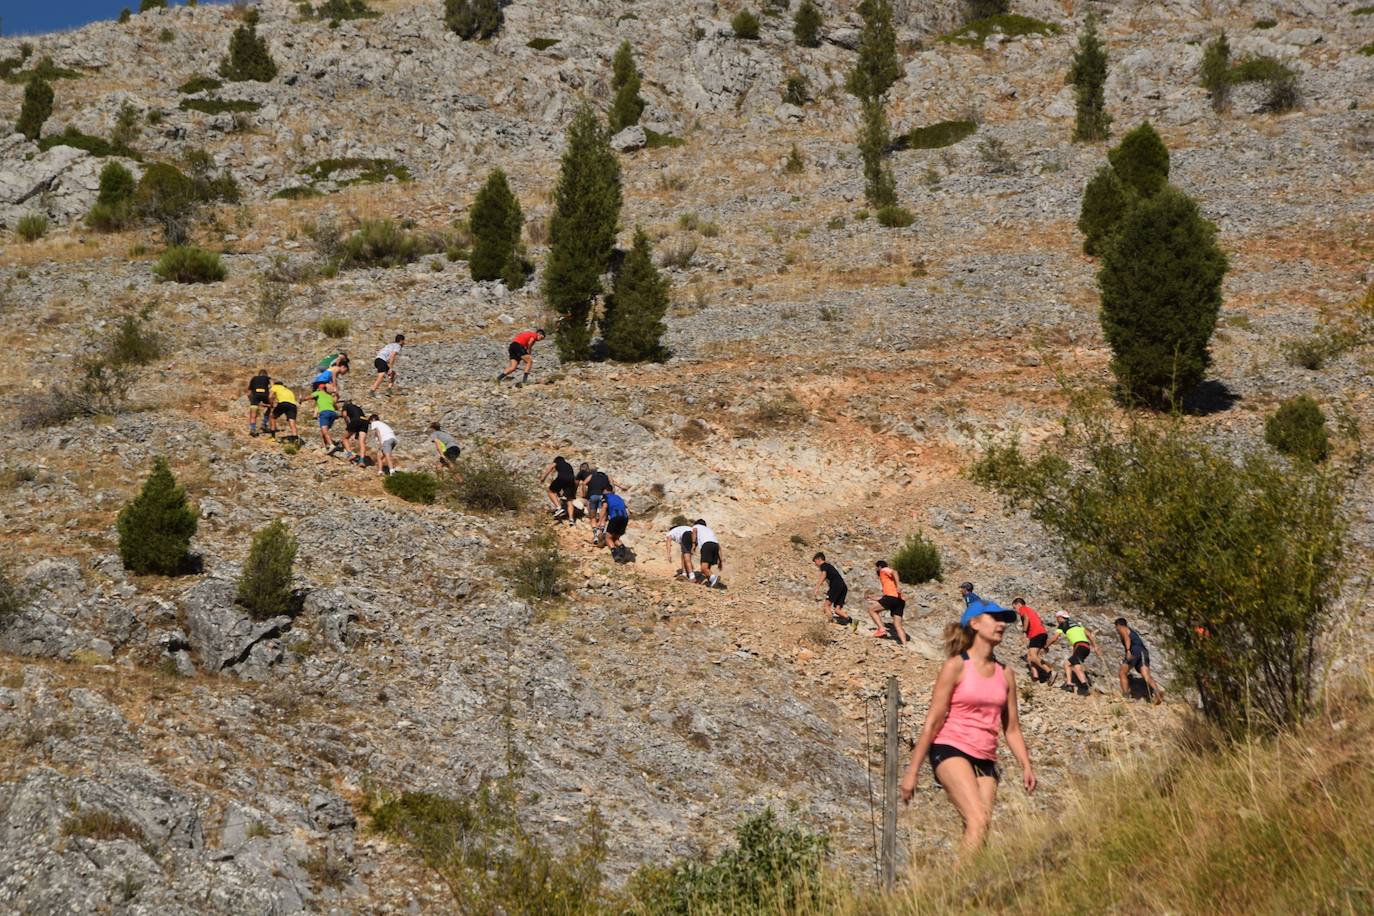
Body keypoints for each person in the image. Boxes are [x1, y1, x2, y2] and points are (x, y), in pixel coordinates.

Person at [899, 600, 1035, 854]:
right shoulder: (956, 666)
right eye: (994, 618)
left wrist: (1026, 765)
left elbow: (1012, 728)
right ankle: (959, 892)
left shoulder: (1006, 674)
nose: (1002, 624)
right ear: (974, 623)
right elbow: (934, 722)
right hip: (951, 748)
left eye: (1004, 619)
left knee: (980, 828)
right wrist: (913, 771)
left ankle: (965, 888)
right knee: (978, 819)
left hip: (986, 757)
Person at [1047, 610, 1099, 695]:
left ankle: (1069, 685)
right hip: (1086, 647)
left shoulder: (1062, 625)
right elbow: (1089, 634)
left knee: (1067, 664)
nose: (1057, 620)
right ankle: (1084, 686)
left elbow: (1054, 638)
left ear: (1060, 617)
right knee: (1076, 666)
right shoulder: (1077, 624)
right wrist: (1095, 646)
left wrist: (1045, 646)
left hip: (1079, 646)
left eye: (1057, 618)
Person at [1115, 617, 1163, 704]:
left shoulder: (1123, 629)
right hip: (1143, 652)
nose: (1116, 630)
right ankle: (1157, 692)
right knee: (1146, 676)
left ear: (1119, 625)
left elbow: (1127, 638)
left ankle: (1126, 696)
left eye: (1116, 627)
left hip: (1134, 651)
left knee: (1122, 673)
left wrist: (1128, 651)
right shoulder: (1132, 632)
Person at [1012, 597, 1055, 685]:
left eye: (1014, 607)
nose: (1015, 610)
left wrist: (1024, 632)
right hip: (1041, 633)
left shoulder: (1023, 609)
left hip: (1036, 634)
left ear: (1018, 604)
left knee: (1033, 656)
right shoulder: (1030, 610)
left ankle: (1050, 671)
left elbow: (1026, 619)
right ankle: (1035, 676)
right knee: (1029, 657)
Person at [866, 561, 908, 645]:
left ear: (880, 567)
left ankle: (881, 629)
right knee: (897, 624)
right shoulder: (888, 582)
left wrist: (899, 586)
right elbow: (887, 597)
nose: (876, 569)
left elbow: (894, 572)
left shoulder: (883, 570)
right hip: (899, 601)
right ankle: (905, 644)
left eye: (876, 567)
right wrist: (873, 598)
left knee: (871, 610)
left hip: (891, 598)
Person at [811, 553, 851, 625]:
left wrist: (817, 587)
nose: (815, 564)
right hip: (843, 587)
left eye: (815, 562)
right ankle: (851, 621)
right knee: (837, 610)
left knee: (827, 605)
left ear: (819, 559)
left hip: (836, 586)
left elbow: (823, 575)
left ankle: (831, 623)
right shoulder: (829, 566)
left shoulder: (824, 565)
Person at [581, 467, 616, 545]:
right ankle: (602, 534)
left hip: (592, 496)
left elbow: (584, 483)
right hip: (602, 497)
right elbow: (612, 485)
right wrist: (612, 493)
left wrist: (584, 494)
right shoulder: (607, 476)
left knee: (593, 517)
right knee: (602, 517)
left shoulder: (592, 476)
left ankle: (596, 536)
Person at [599, 485, 631, 562]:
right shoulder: (618, 497)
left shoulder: (605, 496)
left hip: (615, 517)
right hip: (625, 517)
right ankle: (622, 549)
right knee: (615, 538)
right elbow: (627, 509)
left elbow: (604, 507)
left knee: (607, 538)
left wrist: (600, 521)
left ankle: (615, 554)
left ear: (605, 490)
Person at [540, 455, 577, 520]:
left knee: (550, 491)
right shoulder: (568, 465)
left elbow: (550, 467)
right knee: (569, 500)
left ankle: (559, 508)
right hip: (571, 480)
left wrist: (543, 478)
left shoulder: (557, 461)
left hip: (562, 477)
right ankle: (571, 519)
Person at [309, 385, 342, 454]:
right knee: (324, 431)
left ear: (319, 388)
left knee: (324, 430)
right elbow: (336, 406)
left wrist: (301, 399)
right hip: (333, 414)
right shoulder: (329, 396)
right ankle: (326, 446)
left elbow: (309, 397)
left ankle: (331, 445)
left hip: (324, 413)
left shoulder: (318, 393)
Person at [692, 519, 724, 588]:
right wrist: (720, 560)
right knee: (707, 567)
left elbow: (694, 531)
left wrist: (694, 544)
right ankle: (711, 582)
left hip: (707, 545)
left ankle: (713, 578)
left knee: (703, 568)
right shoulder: (709, 530)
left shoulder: (696, 526)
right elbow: (719, 546)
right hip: (715, 546)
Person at [246, 370, 272, 436]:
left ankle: (253, 429)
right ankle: (264, 424)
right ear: (265, 375)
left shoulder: (254, 378)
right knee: (269, 407)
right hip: (265, 395)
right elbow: (272, 386)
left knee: (253, 414)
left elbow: (248, 393)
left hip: (255, 396)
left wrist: (251, 401)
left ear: (259, 374)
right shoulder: (267, 378)